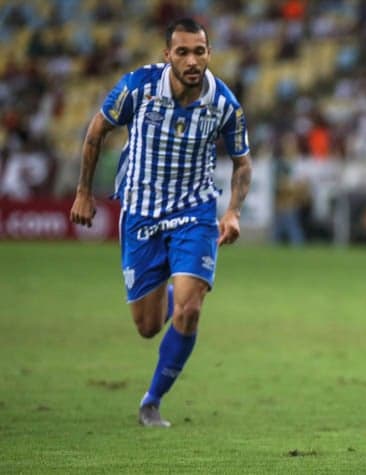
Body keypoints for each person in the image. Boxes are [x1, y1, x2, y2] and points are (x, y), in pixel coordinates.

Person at [69, 18, 252, 427]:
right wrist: (84, 191)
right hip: (141, 212)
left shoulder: (223, 103)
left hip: (195, 212)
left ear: (209, 53)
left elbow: (243, 163)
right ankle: (171, 291)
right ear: (166, 55)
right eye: (182, 52)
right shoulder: (138, 88)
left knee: (189, 311)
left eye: (199, 51)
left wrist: (233, 211)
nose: (192, 60)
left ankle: (151, 401)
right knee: (148, 327)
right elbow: (97, 132)